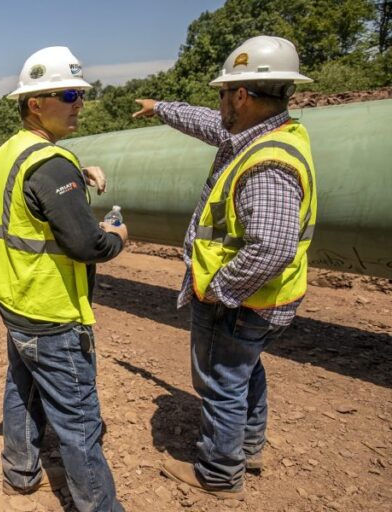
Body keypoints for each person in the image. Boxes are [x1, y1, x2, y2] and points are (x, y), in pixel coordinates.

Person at [131, 35, 317, 500]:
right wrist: (160, 108)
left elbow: (271, 247)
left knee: (221, 381)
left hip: (240, 299)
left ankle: (218, 472)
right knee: (244, 369)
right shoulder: (266, 135)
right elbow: (207, 123)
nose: (219, 104)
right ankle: (248, 447)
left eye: (223, 94)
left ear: (241, 96)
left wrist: (220, 289)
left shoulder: (267, 165)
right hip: (264, 298)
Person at [0, 46, 128, 512]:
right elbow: (88, 245)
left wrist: (75, 169)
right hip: (51, 309)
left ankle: (20, 473)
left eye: (81, 94)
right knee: (79, 422)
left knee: (23, 386)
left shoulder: (14, 150)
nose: (80, 103)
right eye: (69, 95)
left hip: (15, 298)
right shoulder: (50, 164)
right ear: (36, 104)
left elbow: (35, 193)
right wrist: (117, 236)